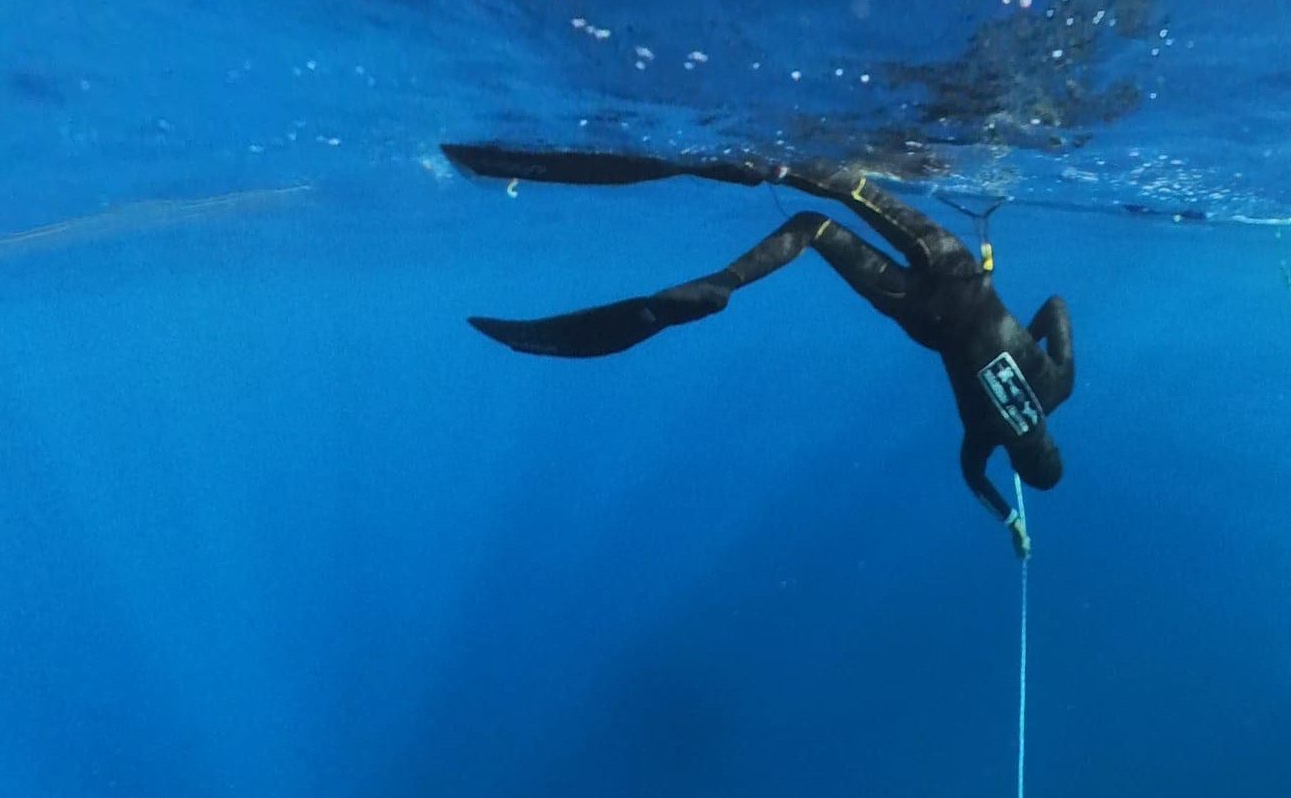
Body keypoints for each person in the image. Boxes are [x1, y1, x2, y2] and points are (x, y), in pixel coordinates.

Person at [442, 144, 1075, 559]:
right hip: (924, 315)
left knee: (835, 183)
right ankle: (724, 283)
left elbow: (1055, 307)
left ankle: (740, 159)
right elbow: (972, 478)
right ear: (1023, 462)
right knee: (810, 229)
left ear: (1050, 441)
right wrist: (1008, 523)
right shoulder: (982, 440)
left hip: (960, 271)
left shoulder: (1058, 386)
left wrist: (1008, 298)